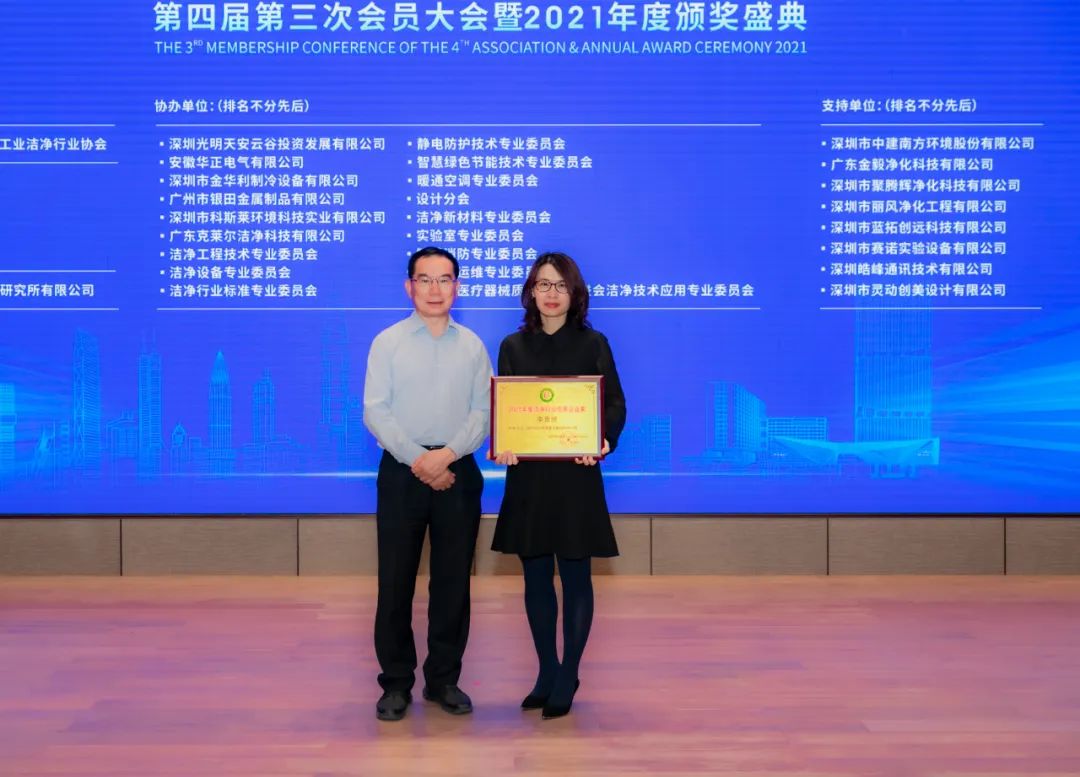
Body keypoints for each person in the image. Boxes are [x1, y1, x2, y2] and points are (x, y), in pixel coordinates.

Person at [490, 251, 626, 719]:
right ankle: (547, 669)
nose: (551, 294)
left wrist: (602, 441)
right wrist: (504, 443)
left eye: (561, 286)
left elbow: (614, 405)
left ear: (575, 293)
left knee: (575, 575)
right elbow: (506, 409)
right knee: (534, 578)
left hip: (576, 477)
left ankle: (569, 673)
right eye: (543, 285)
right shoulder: (512, 346)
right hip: (529, 477)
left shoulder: (593, 343)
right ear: (530, 291)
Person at [363, 246, 492, 722]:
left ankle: (444, 680)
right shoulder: (388, 343)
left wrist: (446, 455)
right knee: (395, 582)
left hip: (458, 471)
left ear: (457, 287)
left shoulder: (473, 346)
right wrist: (419, 459)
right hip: (403, 472)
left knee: (453, 583)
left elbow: (484, 412)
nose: (435, 289)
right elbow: (376, 411)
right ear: (409, 286)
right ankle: (396, 683)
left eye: (444, 279)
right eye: (425, 279)